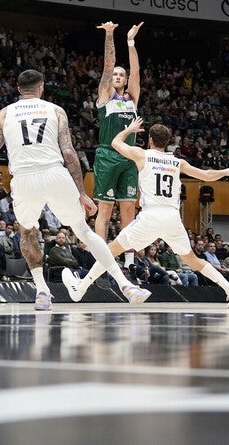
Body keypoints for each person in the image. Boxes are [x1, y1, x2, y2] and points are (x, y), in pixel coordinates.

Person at [0, 69, 150, 310]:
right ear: (42, 87)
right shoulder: (55, 110)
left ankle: (42, 292)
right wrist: (82, 192)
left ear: (18, 88)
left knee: (28, 233)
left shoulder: (3, 114)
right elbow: (68, 153)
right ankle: (125, 285)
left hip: (24, 179)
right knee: (84, 232)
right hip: (55, 173)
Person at [62, 117, 229, 308]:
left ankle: (81, 287)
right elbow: (206, 175)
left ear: (150, 139)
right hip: (172, 217)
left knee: (109, 251)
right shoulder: (177, 162)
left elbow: (115, 143)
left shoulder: (142, 155)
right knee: (193, 260)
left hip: (150, 216)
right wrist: (224, 171)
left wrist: (130, 129)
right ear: (167, 142)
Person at [92, 21, 143, 270]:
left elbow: (136, 71)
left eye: (121, 75)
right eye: (116, 75)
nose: (119, 77)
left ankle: (130, 260)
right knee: (105, 210)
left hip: (129, 157)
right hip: (107, 156)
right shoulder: (105, 96)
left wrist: (131, 42)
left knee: (129, 210)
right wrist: (110, 35)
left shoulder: (132, 98)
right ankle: (101, 260)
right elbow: (108, 65)